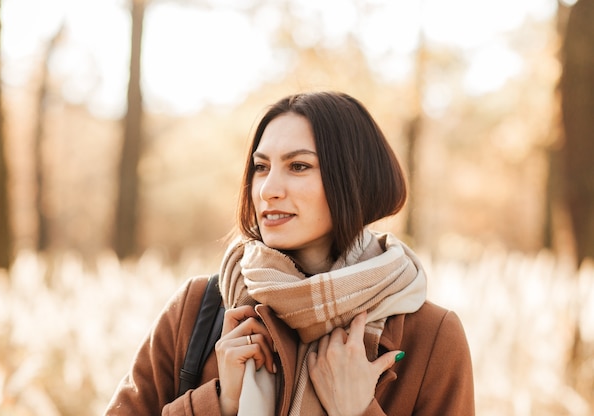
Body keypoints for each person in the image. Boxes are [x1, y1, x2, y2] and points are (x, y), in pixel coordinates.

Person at [104, 91, 475, 416]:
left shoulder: (431, 337)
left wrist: (358, 411)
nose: (268, 189)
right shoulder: (198, 309)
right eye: (261, 167)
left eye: (298, 166)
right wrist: (221, 402)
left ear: (356, 181)